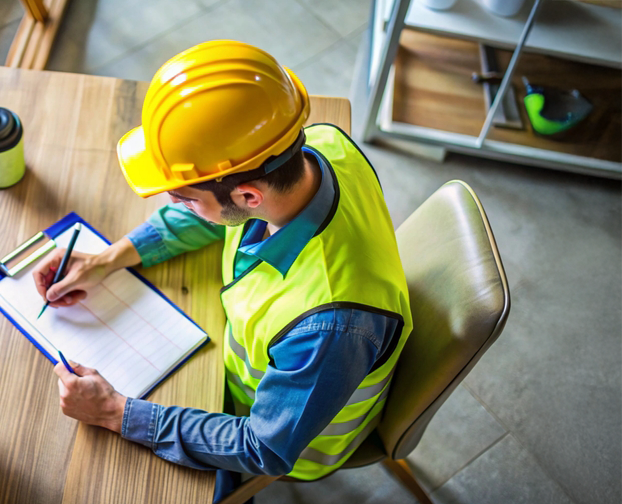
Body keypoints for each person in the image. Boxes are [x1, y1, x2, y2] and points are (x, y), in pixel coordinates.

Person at [32, 40, 413, 501]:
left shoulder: (330, 324)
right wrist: (110, 257)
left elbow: (264, 449)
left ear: (250, 197)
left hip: (288, 435)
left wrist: (115, 411)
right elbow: (216, 216)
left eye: (185, 197)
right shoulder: (323, 147)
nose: (174, 204)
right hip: (258, 373)